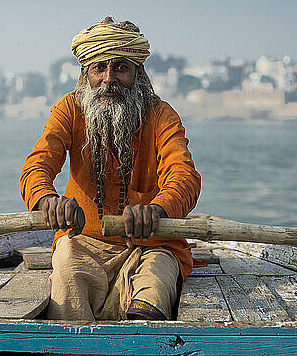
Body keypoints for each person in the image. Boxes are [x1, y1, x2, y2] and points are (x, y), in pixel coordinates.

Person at [20, 17, 201, 321]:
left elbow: (184, 176)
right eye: (99, 68)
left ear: (137, 73)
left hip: (153, 246)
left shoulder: (160, 115)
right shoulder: (69, 109)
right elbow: (37, 165)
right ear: (85, 74)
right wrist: (47, 200)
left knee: (152, 298)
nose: (108, 79)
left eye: (120, 68)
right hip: (82, 243)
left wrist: (156, 210)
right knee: (67, 281)